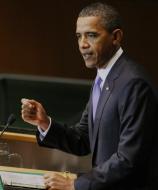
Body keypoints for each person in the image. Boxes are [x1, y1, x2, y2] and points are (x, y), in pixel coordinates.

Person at [21, 2, 158, 190]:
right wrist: (44, 123)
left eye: (92, 35)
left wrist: (76, 185)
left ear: (116, 37)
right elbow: (83, 139)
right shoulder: (103, 78)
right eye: (79, 36)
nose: (83, 44)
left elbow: (128, 159)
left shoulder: (134, 83)